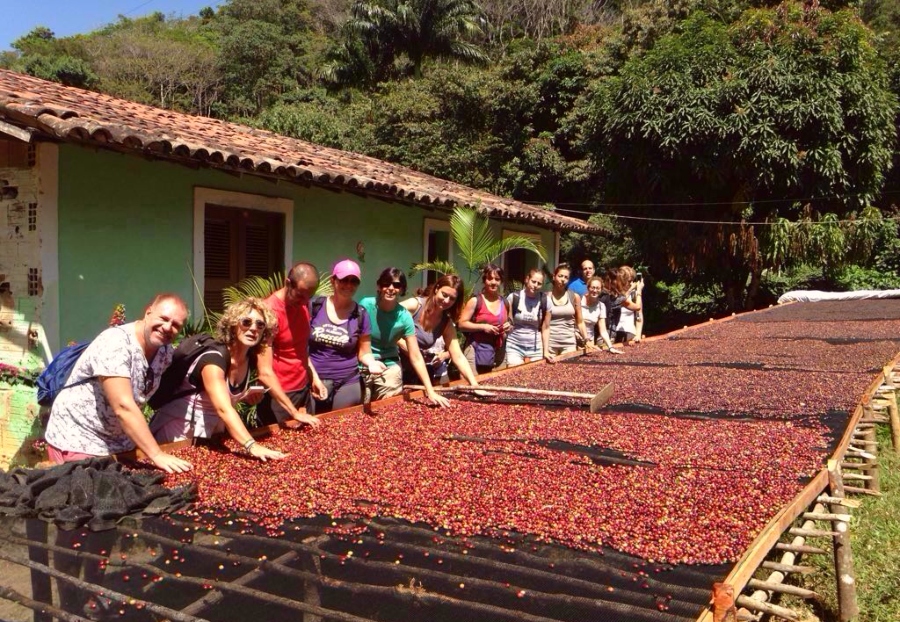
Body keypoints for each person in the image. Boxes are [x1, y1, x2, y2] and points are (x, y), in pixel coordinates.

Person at [43, 293, 192, 473]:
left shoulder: (164, 352)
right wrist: (157, 454)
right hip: (79, 437)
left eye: (176, 325)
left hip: (119, 443)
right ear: (148, 312)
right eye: (163, 318)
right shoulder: (116, 343)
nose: (167, 327)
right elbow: (123, 406)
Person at [149, 297, 314, 458]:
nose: (253, 328)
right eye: (246, 322)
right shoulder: (213, 358)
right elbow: (223, 408)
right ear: (234, 324)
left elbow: (220, 399)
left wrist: (244, 398)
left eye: (260, 324)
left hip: (211, 434)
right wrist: (252, 445)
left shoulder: (249, 358)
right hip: (178, 432)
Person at [359, 268, 450, 407]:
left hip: (388, 365)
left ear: (401, 289)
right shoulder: (365, 305)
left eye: (396, 285)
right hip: (361, 362)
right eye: (386, 283)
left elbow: (415, 355)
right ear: (379, 286)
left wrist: (430, 390)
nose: (390, 288)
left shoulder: (404, 316)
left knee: (388, 407)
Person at [308, 259, 386, 414]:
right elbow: (300, 345)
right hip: (312, 377)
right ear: (333, 280)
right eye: (344, 280)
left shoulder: (361, 314)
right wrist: (310, 376)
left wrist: (371, 363)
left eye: (354, 281)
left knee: (342, 428)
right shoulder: (314, 307)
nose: (349, 285)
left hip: (347, 381)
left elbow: (364, 351)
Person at [256, 262, 328, 425]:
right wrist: (293, 412)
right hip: (278, 396)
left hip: (302, 389)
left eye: (308, 297)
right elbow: (264, 372)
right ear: (288, 283)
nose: (304, 302)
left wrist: (314, 377)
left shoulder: (303, 304)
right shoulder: (268, 312)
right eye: (300, 295)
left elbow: (299, 348)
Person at [398, 274, 479, 387]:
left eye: (452, 299)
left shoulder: (446, 323)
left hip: (416, 371)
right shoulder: (414, 305)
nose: (446, 301)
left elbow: (458, 356)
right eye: (444, 295)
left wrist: (474, 384)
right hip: (392, 364)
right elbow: (386, 319)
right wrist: (405, 346)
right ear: (436, 289)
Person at [458, 264, 511, 374]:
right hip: (475, 348)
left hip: (498, 351)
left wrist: (508, 326)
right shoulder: (475, 301)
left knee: (497, 383)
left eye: (497, 279)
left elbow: (510, 323)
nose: (493, 282)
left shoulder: (505, 302)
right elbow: (461, 324)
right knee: (473, 384)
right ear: (484, 280)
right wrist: (483, 327)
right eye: (490, 278)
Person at [505, 268, 551, 367]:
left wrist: (546, 351)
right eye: (533, 281)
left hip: (535, 347)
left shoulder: (545, 300)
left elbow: (546, 327)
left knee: (535, 377)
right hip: (514, 345)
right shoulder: (514, 298)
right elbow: (507, 321)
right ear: (527, 279)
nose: (535, 285)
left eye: (539, 283)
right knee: (514, 374)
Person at [547, 263, 590, 358]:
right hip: (549, 343)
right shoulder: (546, 297)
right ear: (554, 277)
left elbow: (580, 321)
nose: (563, 279)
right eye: (560, 276)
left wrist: (586, 339)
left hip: (569, 342)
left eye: (566, 277)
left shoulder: (574, 297)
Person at [581, 276, 622, 353]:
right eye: (593, 288)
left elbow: (603, 330)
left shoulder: (601, 306)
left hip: (590, 341)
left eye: (597, 288)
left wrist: (610, 347)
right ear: (588, 288)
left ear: (601, 289)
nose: (595, 290)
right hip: (577, 339)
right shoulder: (579, 301)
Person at [613, 265, 644, 346]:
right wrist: (633, 290)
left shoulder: (635, 295)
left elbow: (639, 314)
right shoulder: (614, 293)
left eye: (632, 280)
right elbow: (622, 300)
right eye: (629, 281)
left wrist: (638, 334)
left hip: (630, 331)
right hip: (614, 332)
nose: (631, 283)